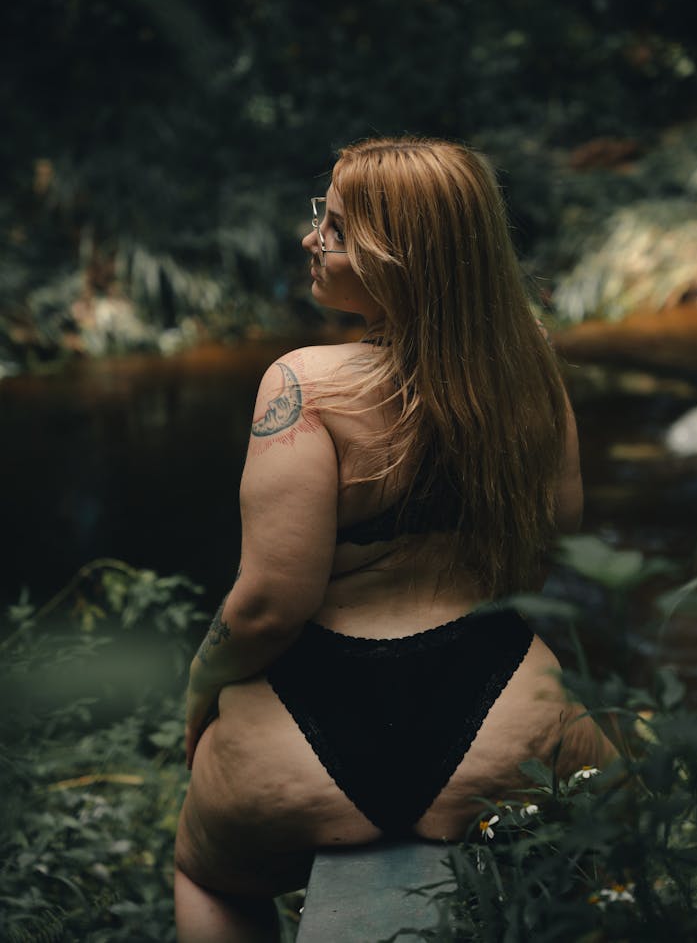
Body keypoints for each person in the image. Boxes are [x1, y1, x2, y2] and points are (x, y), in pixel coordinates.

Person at [174, 137, 615, 942]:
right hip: (506, 724)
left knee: (207, 875)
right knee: (604, 867)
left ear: (398, 256)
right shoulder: (529, 366)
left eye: (334, 228)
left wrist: (200, 686)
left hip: (304, 738)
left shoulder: (303, 382)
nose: (312, 239)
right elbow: (549, 548)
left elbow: (271, 604)